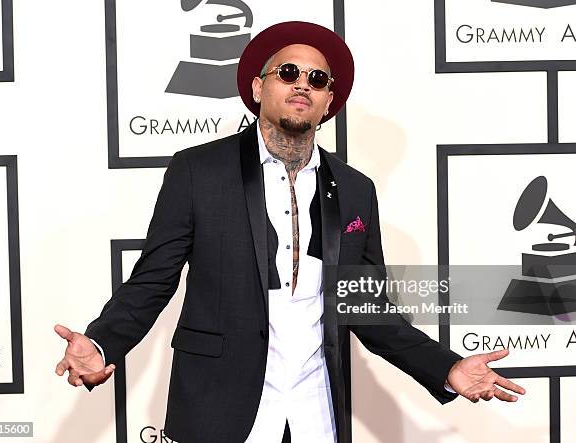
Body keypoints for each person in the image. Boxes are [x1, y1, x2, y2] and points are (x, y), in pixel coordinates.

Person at [54, 21, 526, 443]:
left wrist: (445, 368)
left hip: (315, 414)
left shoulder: (356, 190)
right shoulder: (197, 171)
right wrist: (100, 343)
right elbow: (154, 279)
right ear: (258, 88)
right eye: (288, 74)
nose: (303, 85)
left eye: (317, 80)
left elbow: (368, 309)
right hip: (219, 410)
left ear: (328, 102)